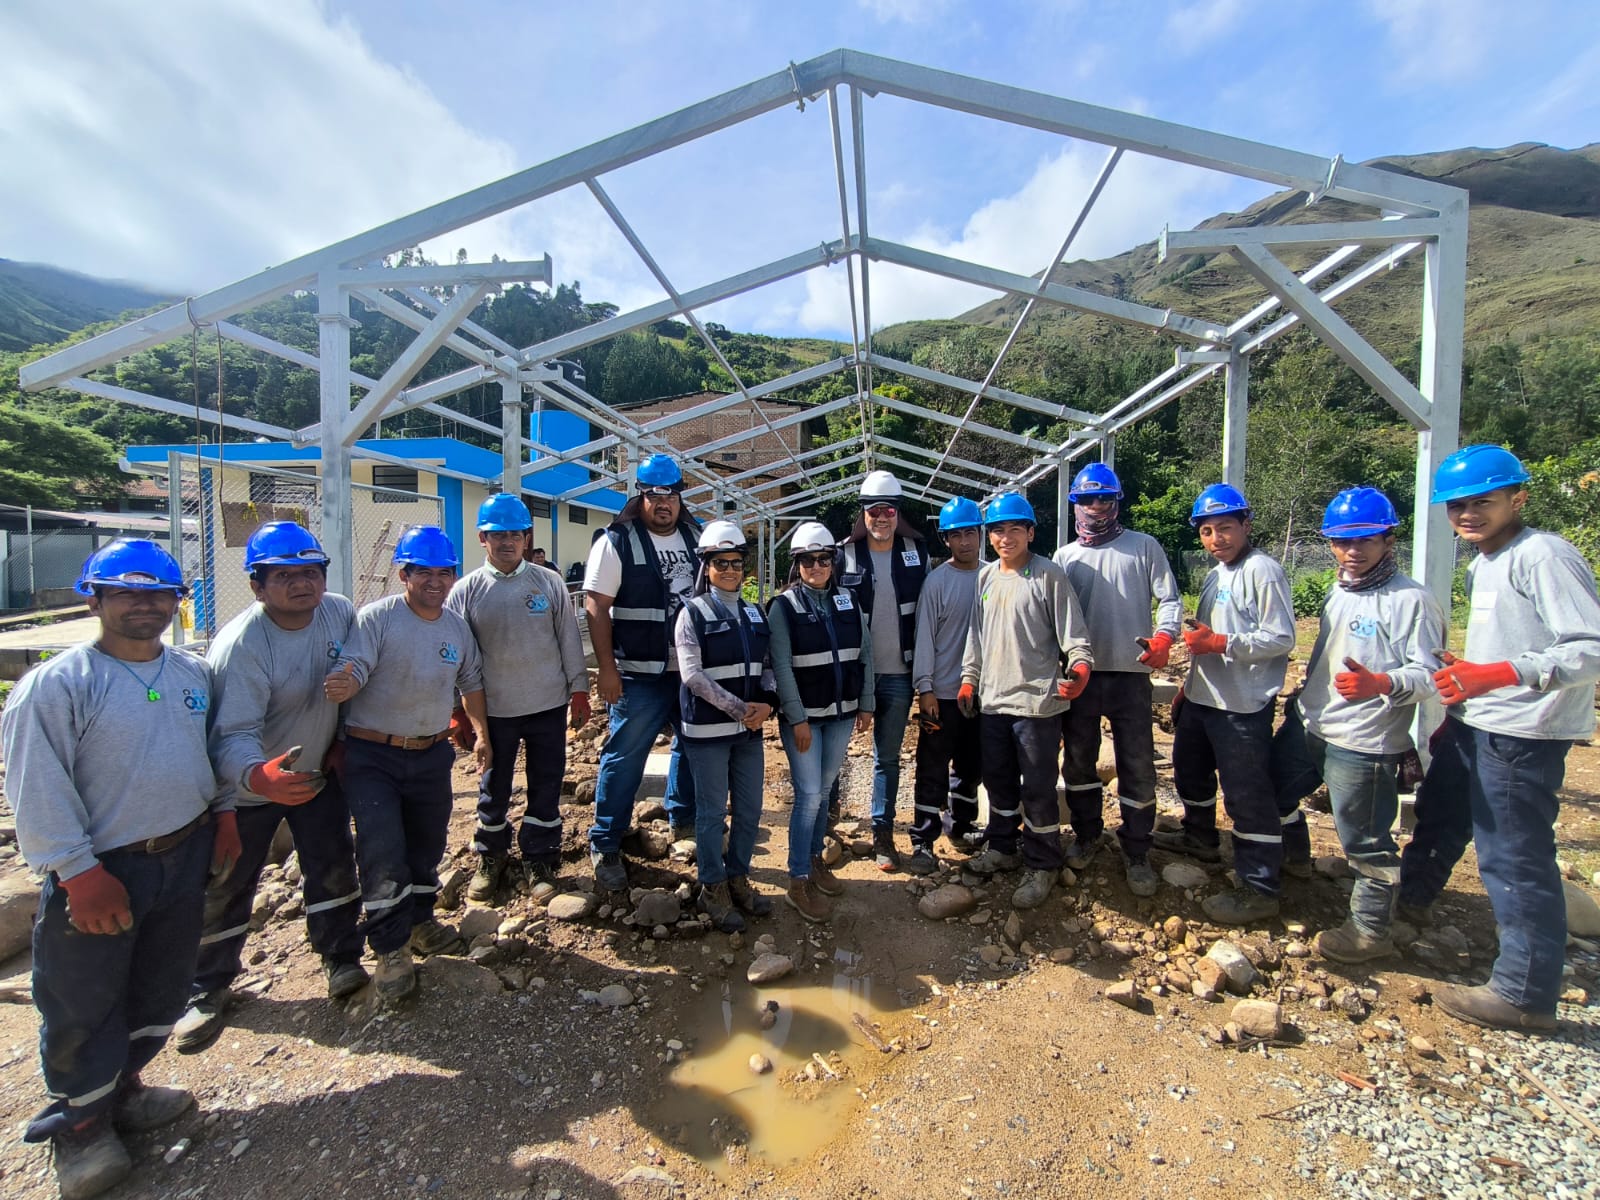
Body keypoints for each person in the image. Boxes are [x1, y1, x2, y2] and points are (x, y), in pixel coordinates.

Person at [2, 539, 239, 1200]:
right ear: (95, 597)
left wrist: (221, 816)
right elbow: (37, 790)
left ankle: (124, 1088)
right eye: (128, 592)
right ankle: (78, 1127)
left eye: (158, 593)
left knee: (158, 982)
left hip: (183, 852)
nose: (145, 604)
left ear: (175, 602)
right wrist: (77, 874)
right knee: (83, 996)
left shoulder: (191, 676)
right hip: (108, 866)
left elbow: (210, 754)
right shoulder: (57, 687)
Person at [1398, 445, 1600, 1031]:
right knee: (1441, 815)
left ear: (1519, 497)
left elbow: (1587, 647)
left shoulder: (1543, 556)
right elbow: (1517, 641)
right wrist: (1473, 670)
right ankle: (1411, 901)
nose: (1467, 514)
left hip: (1522, 731)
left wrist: (1502, 673)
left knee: (1513, 855)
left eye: (1482, 502)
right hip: (1477, 720)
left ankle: (1525, 993)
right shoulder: (1486, 560)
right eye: (1456, 505)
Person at [174, 522, 367, 1054]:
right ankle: (207, 989)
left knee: (331, 863)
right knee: (228, 884)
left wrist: (342, 738)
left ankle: (341, 958)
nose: (301, 584)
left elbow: (353, 676)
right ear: (258, 586)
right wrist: (261, 778)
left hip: (314, 775)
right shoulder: (245, 645)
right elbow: (230, 734)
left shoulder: (339, 612)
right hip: (250, 787)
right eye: (284, 575)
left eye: (310, 572)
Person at [1259, 489, 1445, 963]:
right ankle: (1295, 857)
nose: (1353, 551)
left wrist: (1382, 682)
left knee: (1365, 839)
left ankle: (1369, 928)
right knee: (1273, 792)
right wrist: (1303, 695)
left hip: (1366, 740)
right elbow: (1324, 654)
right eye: (1343, 542)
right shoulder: (1340, 590)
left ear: (1388, 538)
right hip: (1312, 724)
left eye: (1365, 540)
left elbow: (1430, 675)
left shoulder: (1413, 602)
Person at [327, 525, 490, 1002]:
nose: (435, 582)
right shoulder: (377, 619)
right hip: (373, 754)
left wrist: (481, 734)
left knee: (427, 844)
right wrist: (347, 682)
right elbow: (355, 663)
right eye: (424, 572)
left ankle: (421, 921)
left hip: (431, 752)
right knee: (382, 849)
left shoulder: (455, 627)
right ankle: (390, 947)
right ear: (404, 574)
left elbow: (472, 681)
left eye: (444, 572)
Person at [1155, 484, 1296, 925]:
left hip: (1241, 703)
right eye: (1208, 531)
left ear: (1246, 526)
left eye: (1226, 528)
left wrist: (1219, 642)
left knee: (1246, 792)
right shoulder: (1217, 574)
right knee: (1189, 769)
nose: (1217, 538)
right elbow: (1203, 637)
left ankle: (1259, 885)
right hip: (1204, 695)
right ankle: (1199, 836)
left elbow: (1282, 637)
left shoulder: (1262, 571)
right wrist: (1186, 686)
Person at [448, 494, 590, 904]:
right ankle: (490, 856)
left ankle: (540, 857)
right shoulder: (467, 591)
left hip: (547, 705)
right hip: (495, 712)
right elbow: (456, 655)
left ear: (527, 538)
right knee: (494, 785)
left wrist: (578, 690)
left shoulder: (547, 583)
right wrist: (457, 711)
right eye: (498, 535)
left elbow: (568, 639)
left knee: (545, 783)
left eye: (516, 534)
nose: (508, 542)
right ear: (482, 538)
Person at [1052, 462, 1183, 898]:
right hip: (1083, 673)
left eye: (1104, 499)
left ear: (1116, 501)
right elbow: (1051, 617)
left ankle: (1137, 849)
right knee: (1080, 761)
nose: (1096, 507)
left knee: (1138, 764)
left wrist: (1164, 638)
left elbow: (1169, 599)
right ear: (1075, 505)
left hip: (1130, 674)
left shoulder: (1143, 547)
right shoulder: (1066, 557)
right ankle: (1088, 835)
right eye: (1087, 499)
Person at [961, 493, 1094, 910]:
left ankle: (1043, 862)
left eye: (1014, 529)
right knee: (998, 781)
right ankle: (1001, 846)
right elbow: (976, 637)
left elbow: (1075, 637)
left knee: (1037, 788)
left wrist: (1080, 668)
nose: (1005, 537)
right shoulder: (985, 579)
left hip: (1037, 704)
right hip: (994, 703)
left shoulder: (1047, 576)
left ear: (1031, 532)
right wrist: (969, 680)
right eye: (997, 530)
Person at [583, 453, 701, 891]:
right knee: (625, 754)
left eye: (670, 494)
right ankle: (606, 841)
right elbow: (596, 605)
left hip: (688, 672)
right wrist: (606, 669)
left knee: (692, 746)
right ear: (641, 496)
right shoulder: (617, 541)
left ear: (679, 497)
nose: (663, 503)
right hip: (637, 673)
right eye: (654, 495)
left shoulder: (696, 536)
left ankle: (683, 820)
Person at [769, 521, 875, 922]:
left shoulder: (847, 601)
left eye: (824, 559)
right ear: (797, 564)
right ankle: (797, 879)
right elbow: (780, 665)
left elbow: (866, 653)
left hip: (842, 715)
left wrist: (866, 703)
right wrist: (796, 718)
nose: (817, 566)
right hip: (805, 720)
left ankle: (814, 861)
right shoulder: (784, 607)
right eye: (809, 560)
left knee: (826, 788)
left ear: (834, 561)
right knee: (810, 794)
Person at [675, 520, 776, 932]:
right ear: (707, 566)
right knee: (712, 813)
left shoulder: (754, 611)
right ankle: (711, 886)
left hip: (748, 733)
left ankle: (738, 876)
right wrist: (740, 708)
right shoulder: (691, 613)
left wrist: (767, 704)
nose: (731, 570)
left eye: (736, 562)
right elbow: (692, 676)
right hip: (708, 734)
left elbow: (766, 665)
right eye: (721, 563)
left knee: (750, 810)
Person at [835, 469, 928, 870]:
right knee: (833, 752)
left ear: (898, 511)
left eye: (888, 509)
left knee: (887, 758)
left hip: (899, 676)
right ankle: (824, 824)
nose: (881, 517)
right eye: (873, 510)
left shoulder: (916, 552)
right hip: (855, 677)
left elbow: (929, 613)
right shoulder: (843, 555)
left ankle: (883, 834)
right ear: (863, 514)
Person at [907, 496, 985, 874]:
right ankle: (923, 838)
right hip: (942, 696)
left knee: (972, 764)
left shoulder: (993, 576)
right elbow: (925, 638)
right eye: (957, 535)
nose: (965, 542)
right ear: (946, 540)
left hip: (983, 696)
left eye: (971, 532)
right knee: (932, 765)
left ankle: (962, 826)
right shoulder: (936, 583)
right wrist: (925, 689)